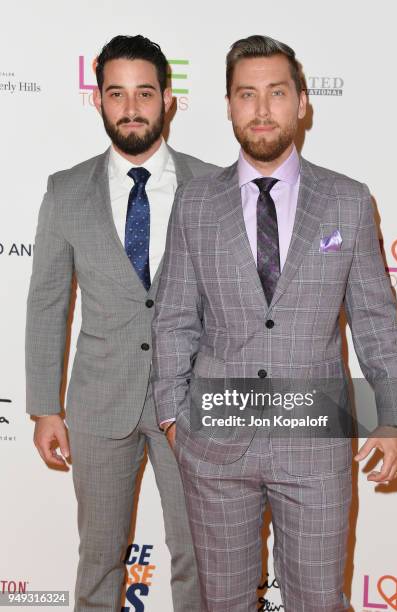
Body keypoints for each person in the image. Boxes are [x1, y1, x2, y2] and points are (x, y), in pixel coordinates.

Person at [151, 35, 397, 611]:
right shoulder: (196, 203)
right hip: (215, 442)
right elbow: (173, 318)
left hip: (313, 443)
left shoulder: (347, 201)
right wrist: (174, 418)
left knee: (319, 602)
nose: (263, 109)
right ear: (228, 105)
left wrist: (395, 417)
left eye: (277, 92)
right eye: (247, 94)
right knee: (222, 604)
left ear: (302, 103)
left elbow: (374, 317)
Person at [26, 34, 217, 612]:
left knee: (201, 563)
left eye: (144, 93)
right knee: (98, 561)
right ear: (98, 100)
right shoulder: (65, 191)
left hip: (193, 405)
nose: (131, 107)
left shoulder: (212, 186)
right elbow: (46, 303)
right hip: (97, 402)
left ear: (168, 100)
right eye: (116, 93)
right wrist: (44, 408)